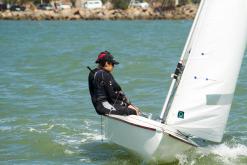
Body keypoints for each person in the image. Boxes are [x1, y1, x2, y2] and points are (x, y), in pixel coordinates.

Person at [88, 51, 140, 116]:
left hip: (99, 106)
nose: (113, 66)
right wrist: (127, 105)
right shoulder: (104, 74)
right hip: (104, 107)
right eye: (112, 64)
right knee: (133, 111)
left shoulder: (92, 73)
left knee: (131, 108)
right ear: (106, 63)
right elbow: (112, 96)